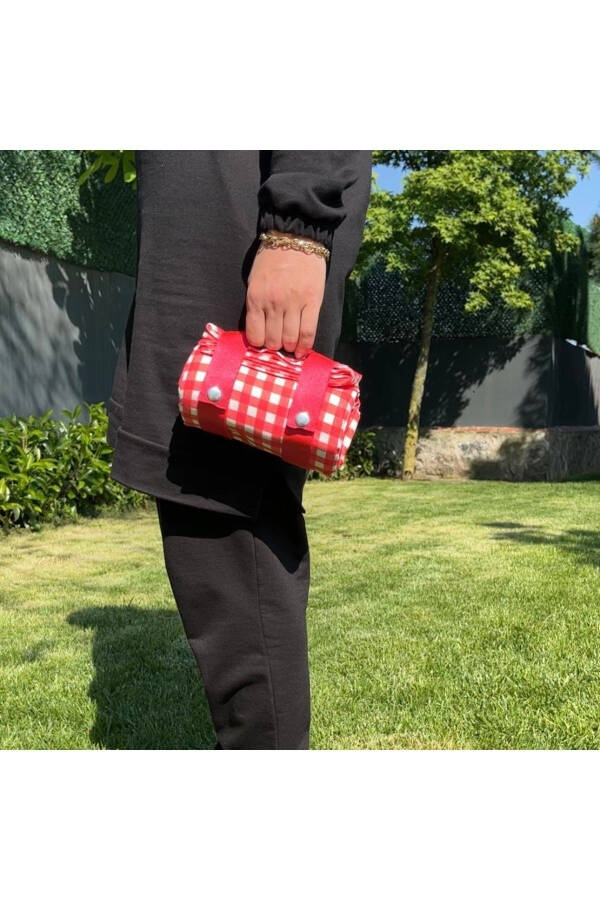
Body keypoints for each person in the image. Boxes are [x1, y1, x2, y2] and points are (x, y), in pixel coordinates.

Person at [107, 151, 373, 749]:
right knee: (212, 531)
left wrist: (295, 231)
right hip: (205, 237)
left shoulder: (283, 230)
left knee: (228, 524)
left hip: (246, 241)